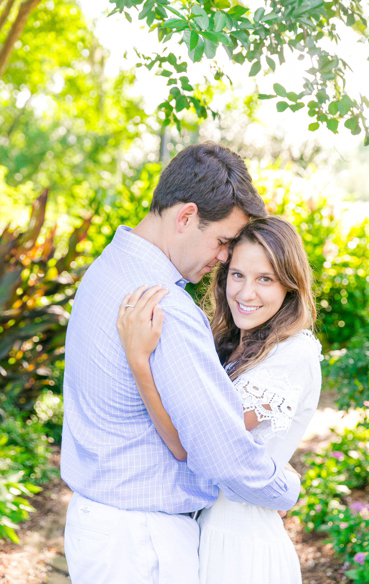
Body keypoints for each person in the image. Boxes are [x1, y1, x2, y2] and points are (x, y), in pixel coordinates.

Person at [61, 143, 301, 584]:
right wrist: (285, 488)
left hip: (100, 528)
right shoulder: (162, 303)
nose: (225, 257)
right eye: (224, 241)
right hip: (140, 542)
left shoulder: (104, 269)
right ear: (186, 217)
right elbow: (217, 447)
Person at [116, 215, 323, 584]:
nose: (245, 293)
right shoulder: (225, 344)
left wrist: (139, 363)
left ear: (290, 286)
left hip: (243, 546)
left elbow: (191, 442)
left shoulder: (294, 354)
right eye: (238, 274)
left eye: (266, 279)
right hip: (202, 531)